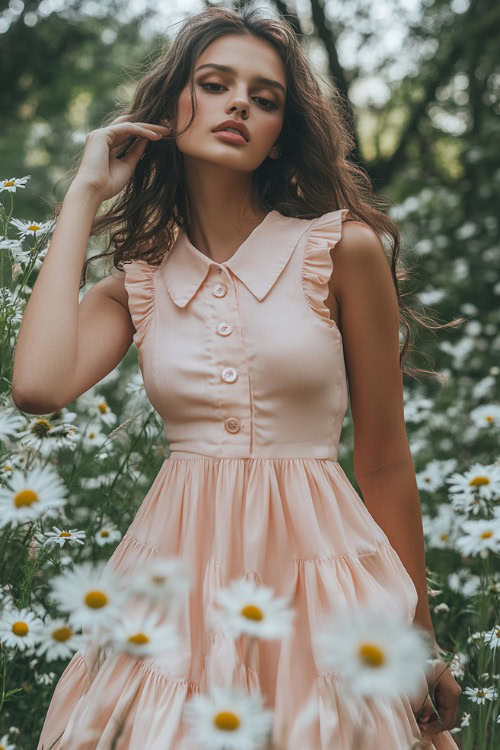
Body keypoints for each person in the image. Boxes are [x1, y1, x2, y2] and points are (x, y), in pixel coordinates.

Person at [12, 6, 462, 749]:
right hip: (175, 583)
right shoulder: (142, 279)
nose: (240, 104)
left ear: (280, 129)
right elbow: (37, 386)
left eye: (265, 97)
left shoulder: (343, 250)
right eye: (215, 84)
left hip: (320, 575)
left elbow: (383, 458)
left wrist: (422, 640)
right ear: (171, 108)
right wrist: (84, 192)